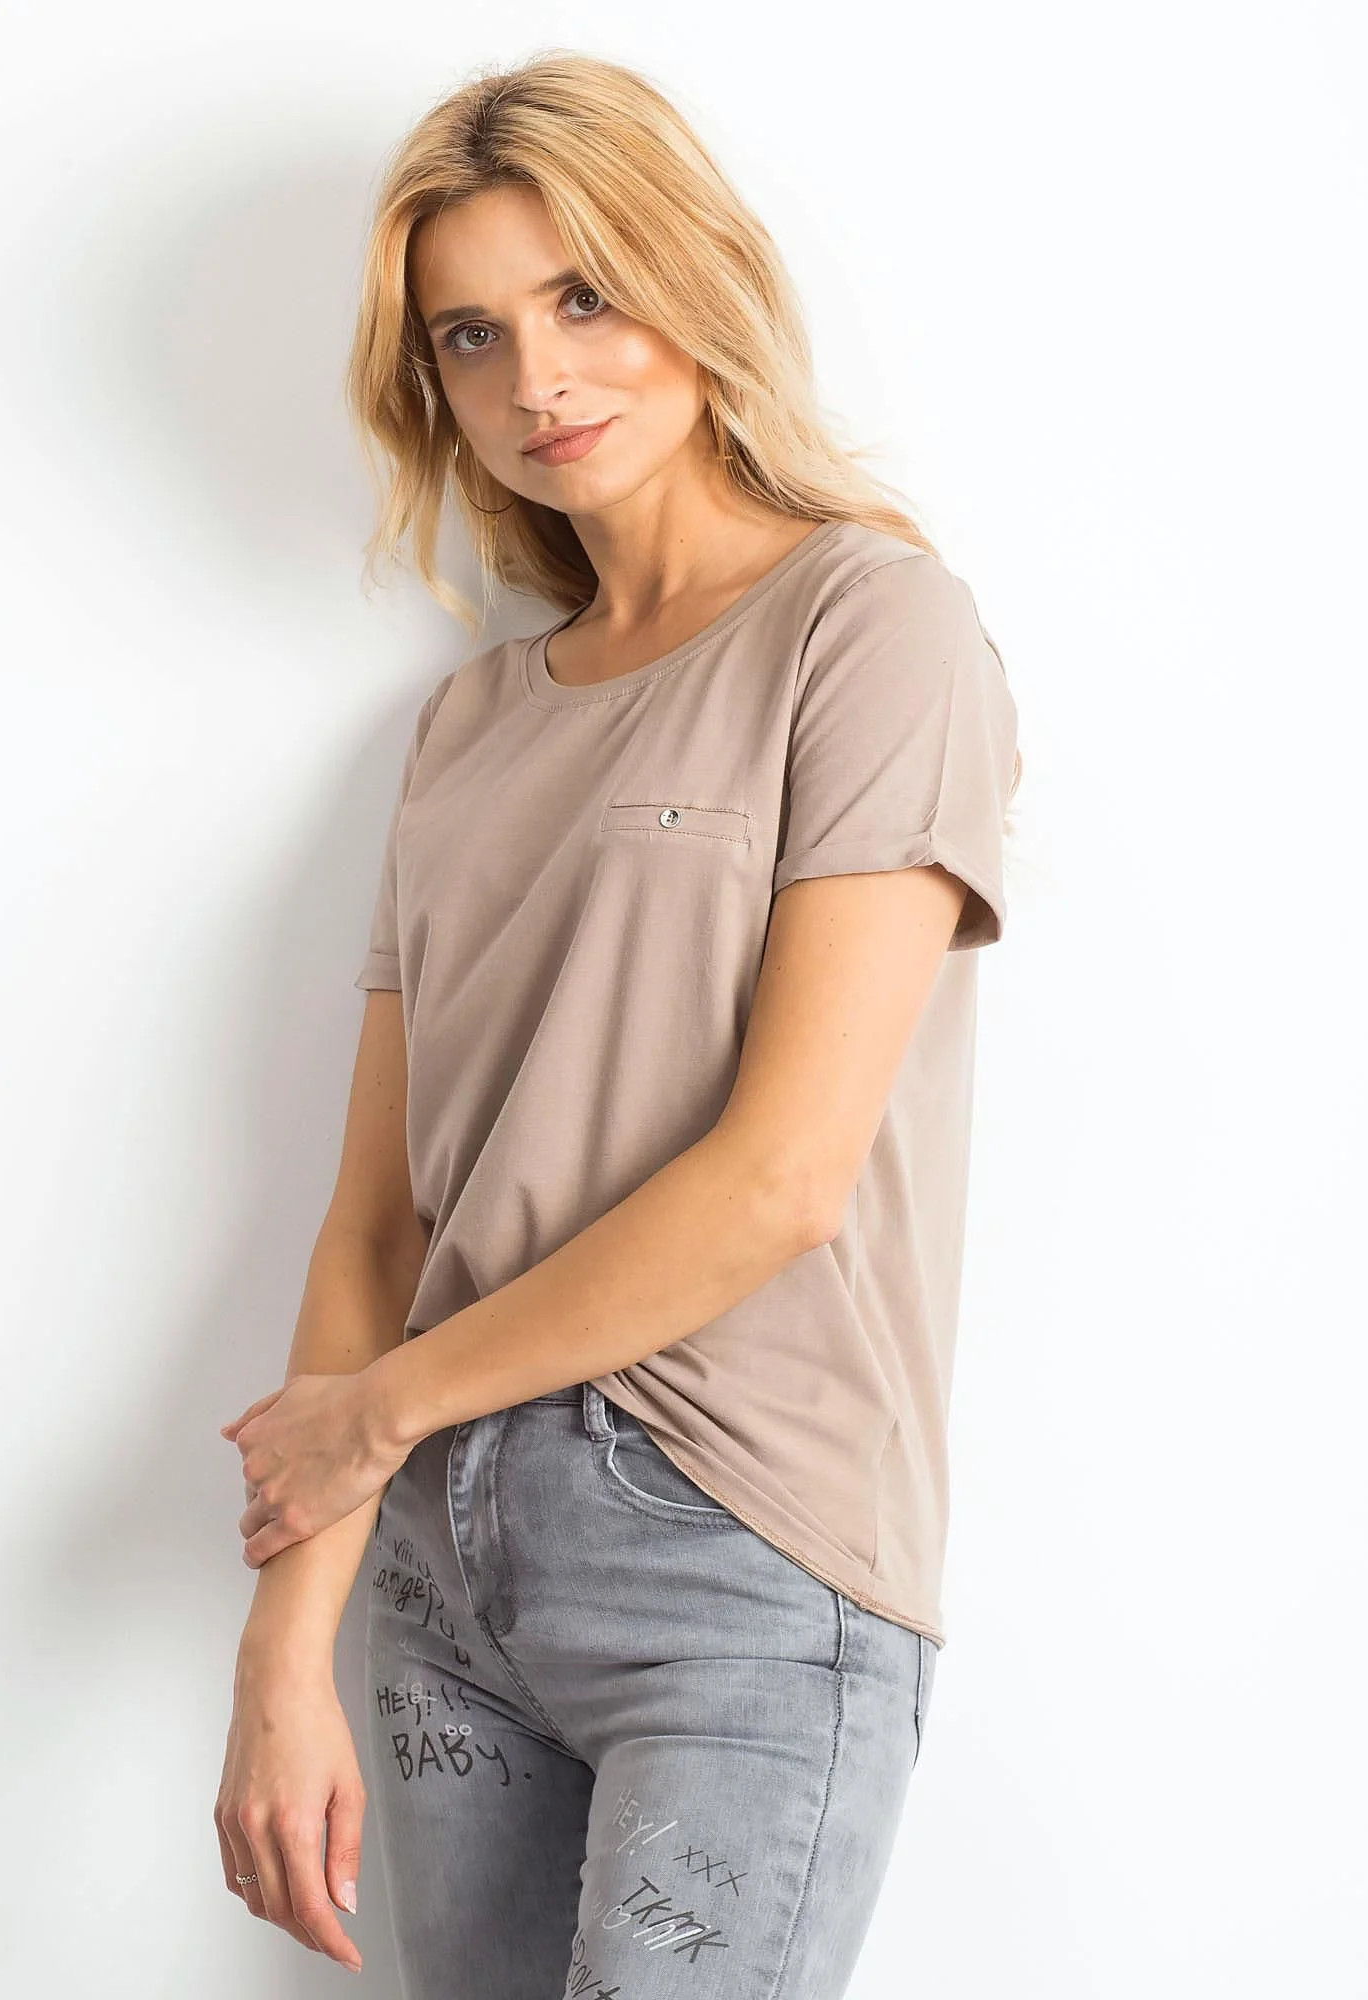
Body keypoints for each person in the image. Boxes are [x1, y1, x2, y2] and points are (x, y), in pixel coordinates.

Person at [213, 49, 1022, 1997]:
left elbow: (785, 1176)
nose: (538, 380)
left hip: (735, 1540)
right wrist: (283, 1654)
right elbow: (377, 1225)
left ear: (696, 271)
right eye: (472, 337)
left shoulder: (869, 630)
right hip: (444, 1569)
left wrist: (383, 1409)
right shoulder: (469, 725)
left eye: (585, 295)